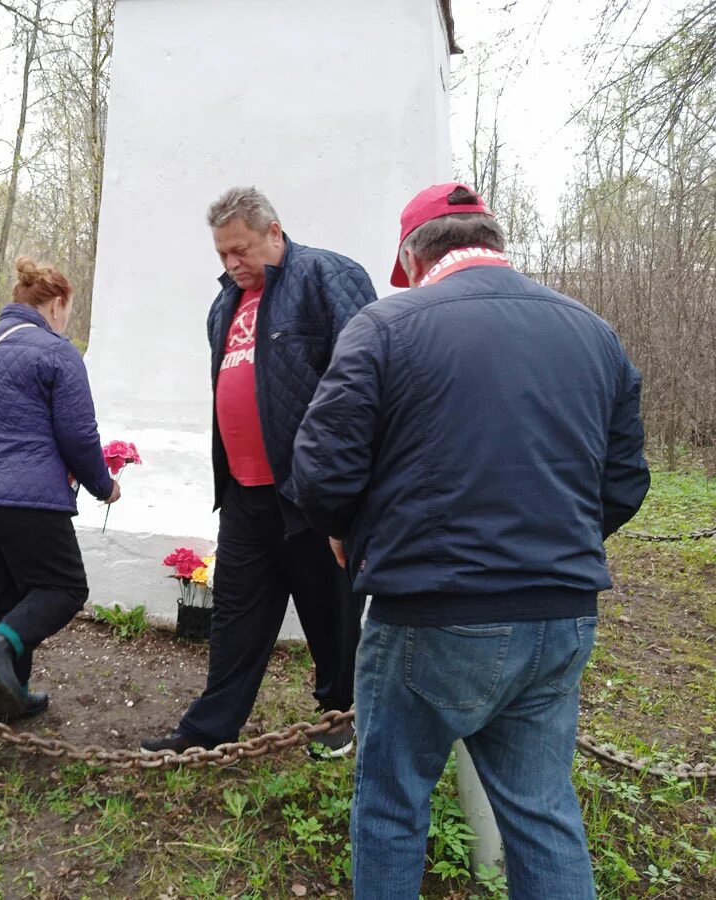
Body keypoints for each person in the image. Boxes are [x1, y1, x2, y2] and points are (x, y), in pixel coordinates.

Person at [285, 182, 651, 899]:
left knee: (391, 805)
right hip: (559, 613)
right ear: (492, 242)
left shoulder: (387, 326)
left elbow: (322, 471)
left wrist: (346, 533)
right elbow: (624, 483)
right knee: (543, 811)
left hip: (431, 613)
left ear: (414, 256)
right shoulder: (593, 332)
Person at [140, 187, 377, 756]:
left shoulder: (326, 276)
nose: (230, 264)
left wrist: (340, 488)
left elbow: (365, 381)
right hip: (245, 492)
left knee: (330, 611)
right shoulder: (224, 305)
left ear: (274, 232)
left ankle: (338, 715)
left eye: (240, 250)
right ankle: (208, 728)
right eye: (222, 254)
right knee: (235, 616)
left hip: (309, 492)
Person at [0, 257, 119, 723]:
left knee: (5, 600)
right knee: (63, 588)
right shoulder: (58, 352)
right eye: (68, 310)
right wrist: (105, 485)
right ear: (56, 304)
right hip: (29, 502)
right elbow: (79, 435)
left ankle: (9, 700)